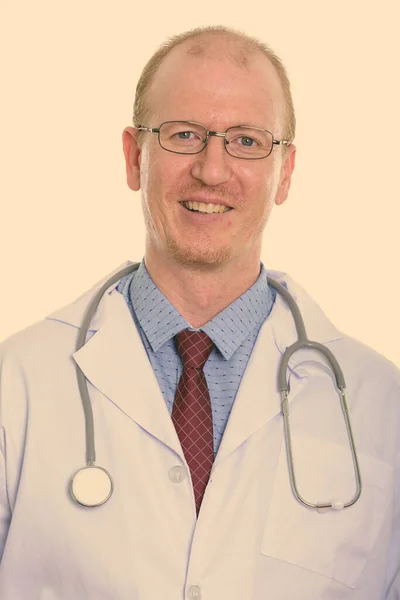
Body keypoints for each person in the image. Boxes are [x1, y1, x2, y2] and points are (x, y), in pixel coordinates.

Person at [0, 25, 399, 600]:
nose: (212, 170)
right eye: (184, 135)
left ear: (285, 172)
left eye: (246, 141)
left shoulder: (379, 403)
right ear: (135, 157)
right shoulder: (19, 384)